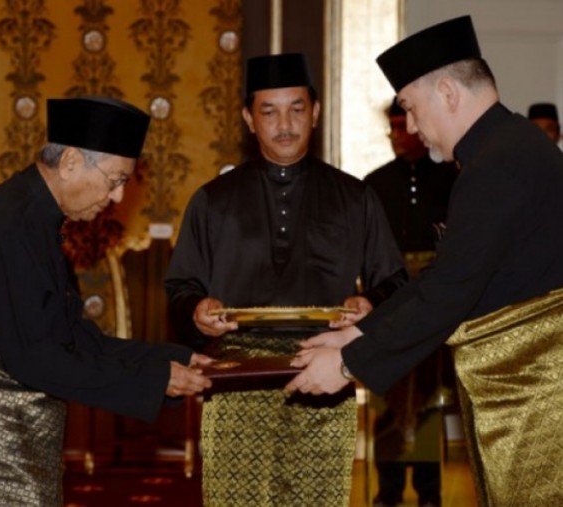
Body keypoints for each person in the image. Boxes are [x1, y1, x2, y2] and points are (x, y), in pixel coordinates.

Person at [286, 15, 563, 507]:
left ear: (448, 93)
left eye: (411, 108)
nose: (411, 127)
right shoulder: (505, 148)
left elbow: (450, 291)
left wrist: (348, 366)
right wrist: (357, 333)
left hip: (539, 391)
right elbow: (445, 276)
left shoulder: (497, 163)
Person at [164, 53, 407, 507]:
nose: (285, 125)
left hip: (323, 374)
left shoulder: (355, 197)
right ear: (248, 119)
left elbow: (394, 280)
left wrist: (370, 304)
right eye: (269, 111)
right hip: (237, 381)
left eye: (297, 109)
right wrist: (196, 312)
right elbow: (180, 289)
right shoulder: (213, 201)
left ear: (315, 112)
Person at [0, 96, 212, 506]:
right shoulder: (9, 225)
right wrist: (152, 380)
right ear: (72, 161)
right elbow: (35, 358)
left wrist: (167, 360)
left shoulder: (36, 217)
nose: (117, 198)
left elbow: (71, 337)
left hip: (12, 428)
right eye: (115, 180)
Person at [364, 98, 459, 507]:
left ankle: (428, 493)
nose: (398, 137)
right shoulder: (375, 183)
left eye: (405, 127)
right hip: (389, 304)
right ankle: (387, 491)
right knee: (388, 397)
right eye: (393, 128)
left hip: (436, 304)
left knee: (428, 400)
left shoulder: (451, 179)